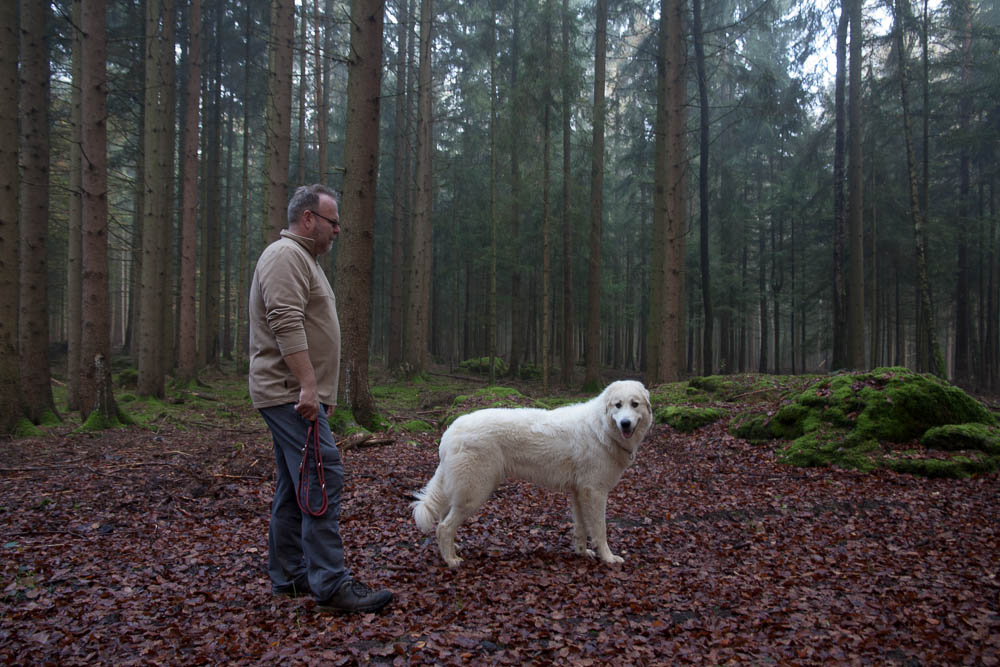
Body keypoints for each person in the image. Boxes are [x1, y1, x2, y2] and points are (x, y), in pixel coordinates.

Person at [248, 184, 392, 614]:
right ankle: (330, 585)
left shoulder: (303, 260)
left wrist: (321, 391)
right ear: (308, 219)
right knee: (321, 474)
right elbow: (285, 321)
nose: (339, 230)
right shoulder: (285, 256)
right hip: (287, 392)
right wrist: (309, 386)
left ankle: (290, 576)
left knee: (296, 485)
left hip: (295, 393)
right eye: (332, 222)